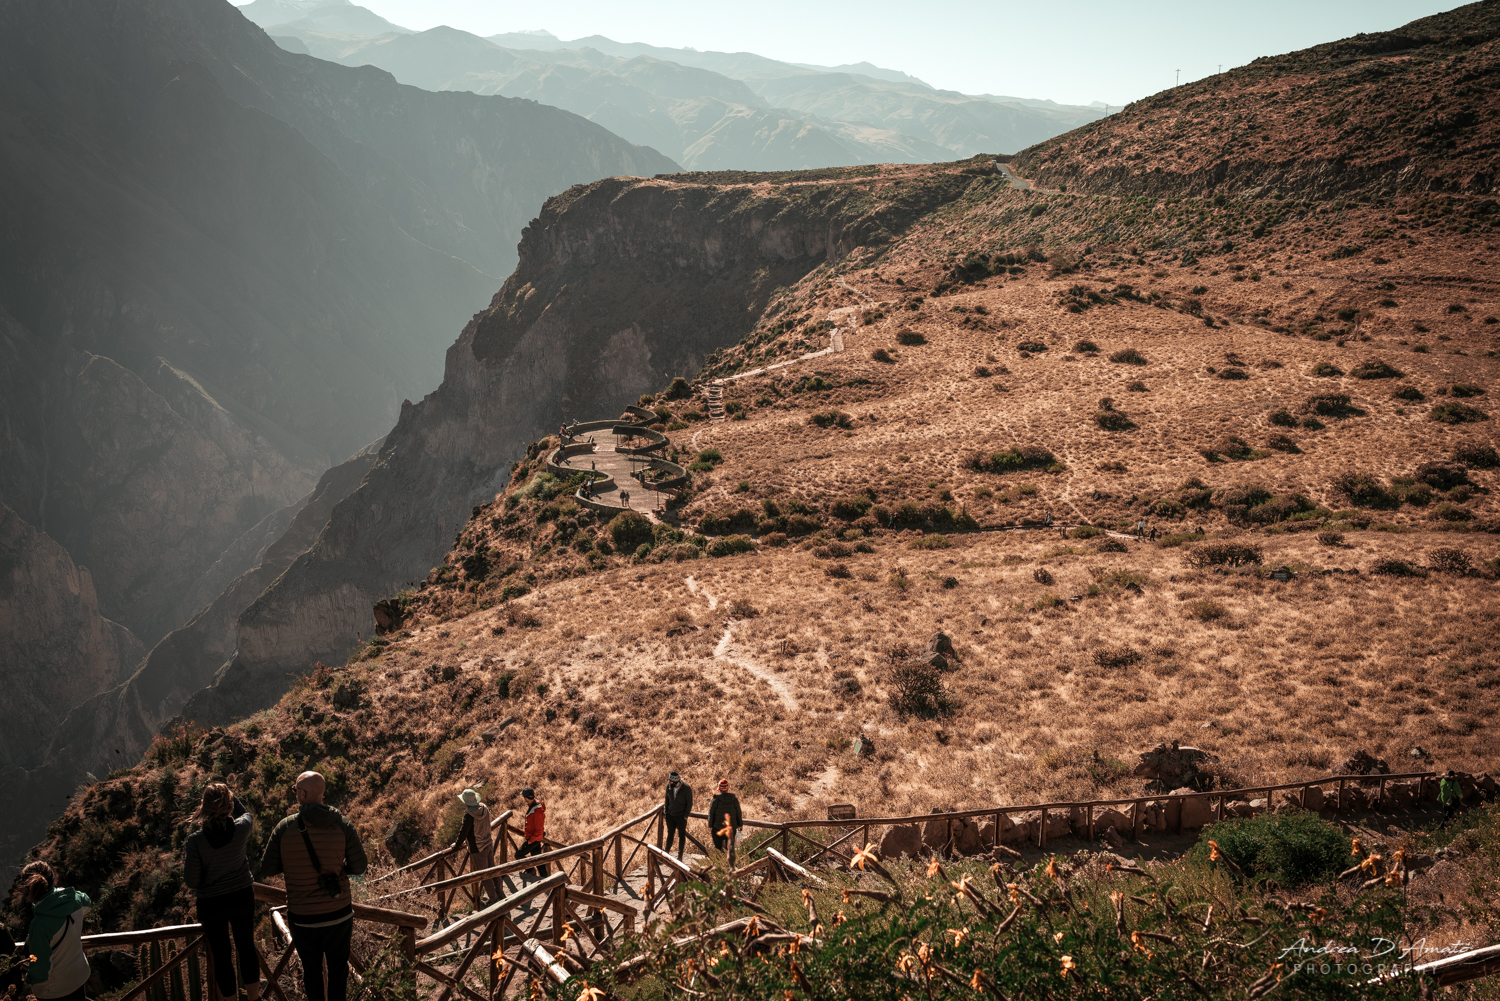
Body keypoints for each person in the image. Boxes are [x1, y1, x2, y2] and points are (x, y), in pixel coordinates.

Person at [258, 771, 369, 1001]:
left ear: (303, 793)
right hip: (338, 913)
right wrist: (338, 870)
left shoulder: (284, 827)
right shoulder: (342, 824)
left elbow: (267, 868)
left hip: (303, 917)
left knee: (312, 972)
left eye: (295, 789)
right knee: (339, 970)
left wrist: (293, 866)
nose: (295, 793)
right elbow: (359, 867)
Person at [184, 783, 262, 1001]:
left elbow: (191, 881)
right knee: (246, 947)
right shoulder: (241, 828)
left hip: (212, 904)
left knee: (221, 955)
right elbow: (246, 813)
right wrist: (230, 795)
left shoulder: (196, 841)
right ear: (229, 805)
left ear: (204, 807)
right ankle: (254, 999)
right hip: (242, 896)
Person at [19, 862, 91, 1001]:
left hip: (54, 990)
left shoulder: (39, 925)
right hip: (78, 977)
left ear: (28, 889)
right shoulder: (74, 900)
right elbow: (87, 902)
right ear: (52, 879)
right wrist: (64, 895)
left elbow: (39, 964)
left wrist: (29, 978)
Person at [451, 788, 501, 904]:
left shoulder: (469, 816)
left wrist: (457, 845)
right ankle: (500, 892)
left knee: (484, 875)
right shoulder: (484, 808)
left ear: (465, 802)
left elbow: (463, 833)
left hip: (478, 848)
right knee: (493, 869)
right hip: (488, 843)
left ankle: (493, 898)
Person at [517, 787, 547, 881]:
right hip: (534, 837)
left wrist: (531, 840)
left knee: (518, 855)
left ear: (526, 798)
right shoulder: (535, 805)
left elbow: (539, 830)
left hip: (534, 839)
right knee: (537, 859)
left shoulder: (536, 811)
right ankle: (546, 879)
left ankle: (530, 870)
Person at [708, 779, 743, 860]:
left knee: (718, 849)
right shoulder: (734, 799)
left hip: (718, 828)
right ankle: (729, 865)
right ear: (727, 788)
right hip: (731, 829)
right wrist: (740, 824)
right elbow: (738, 813)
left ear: (719, 788)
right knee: (730, 849)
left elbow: (711, 814)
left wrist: (710, 825)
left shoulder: (715, 800)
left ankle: (718, 864)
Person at [663, 771, 693, 859]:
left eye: (671, 781)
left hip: (681, 816)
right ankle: (666, 852)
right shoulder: (668, 787)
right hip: (670, 815)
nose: (669, 782)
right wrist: (666, 811)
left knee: (681, 835)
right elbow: (666, 799)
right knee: (670, 834)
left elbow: (689, 803)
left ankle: (680, 855)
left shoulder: (686, 788)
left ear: (676, 782)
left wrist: (685, 816)